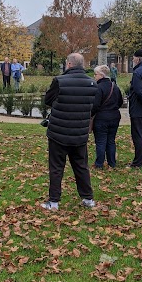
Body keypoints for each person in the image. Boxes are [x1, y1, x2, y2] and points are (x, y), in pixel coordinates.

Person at [41, 52, 97, 211]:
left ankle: (54, 202)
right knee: (81, 166)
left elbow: (48, 100)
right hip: (79, 133)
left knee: (56, 168)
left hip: (59, 132)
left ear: (69, 64)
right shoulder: (92, 83)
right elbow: (93, 106)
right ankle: (87, 198)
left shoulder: (59, 81)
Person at [91, 65, 123, 169]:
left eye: (95, 74)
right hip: (114, 116)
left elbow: (95, 105)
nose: (94, 76)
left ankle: (99, 164)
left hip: (101, 117)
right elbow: (120, 102)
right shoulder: (115, 86)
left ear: (101, 75)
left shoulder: (98, 88)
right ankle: (112, 163)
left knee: (100, 141)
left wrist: (90, 115)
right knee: (111, 140)